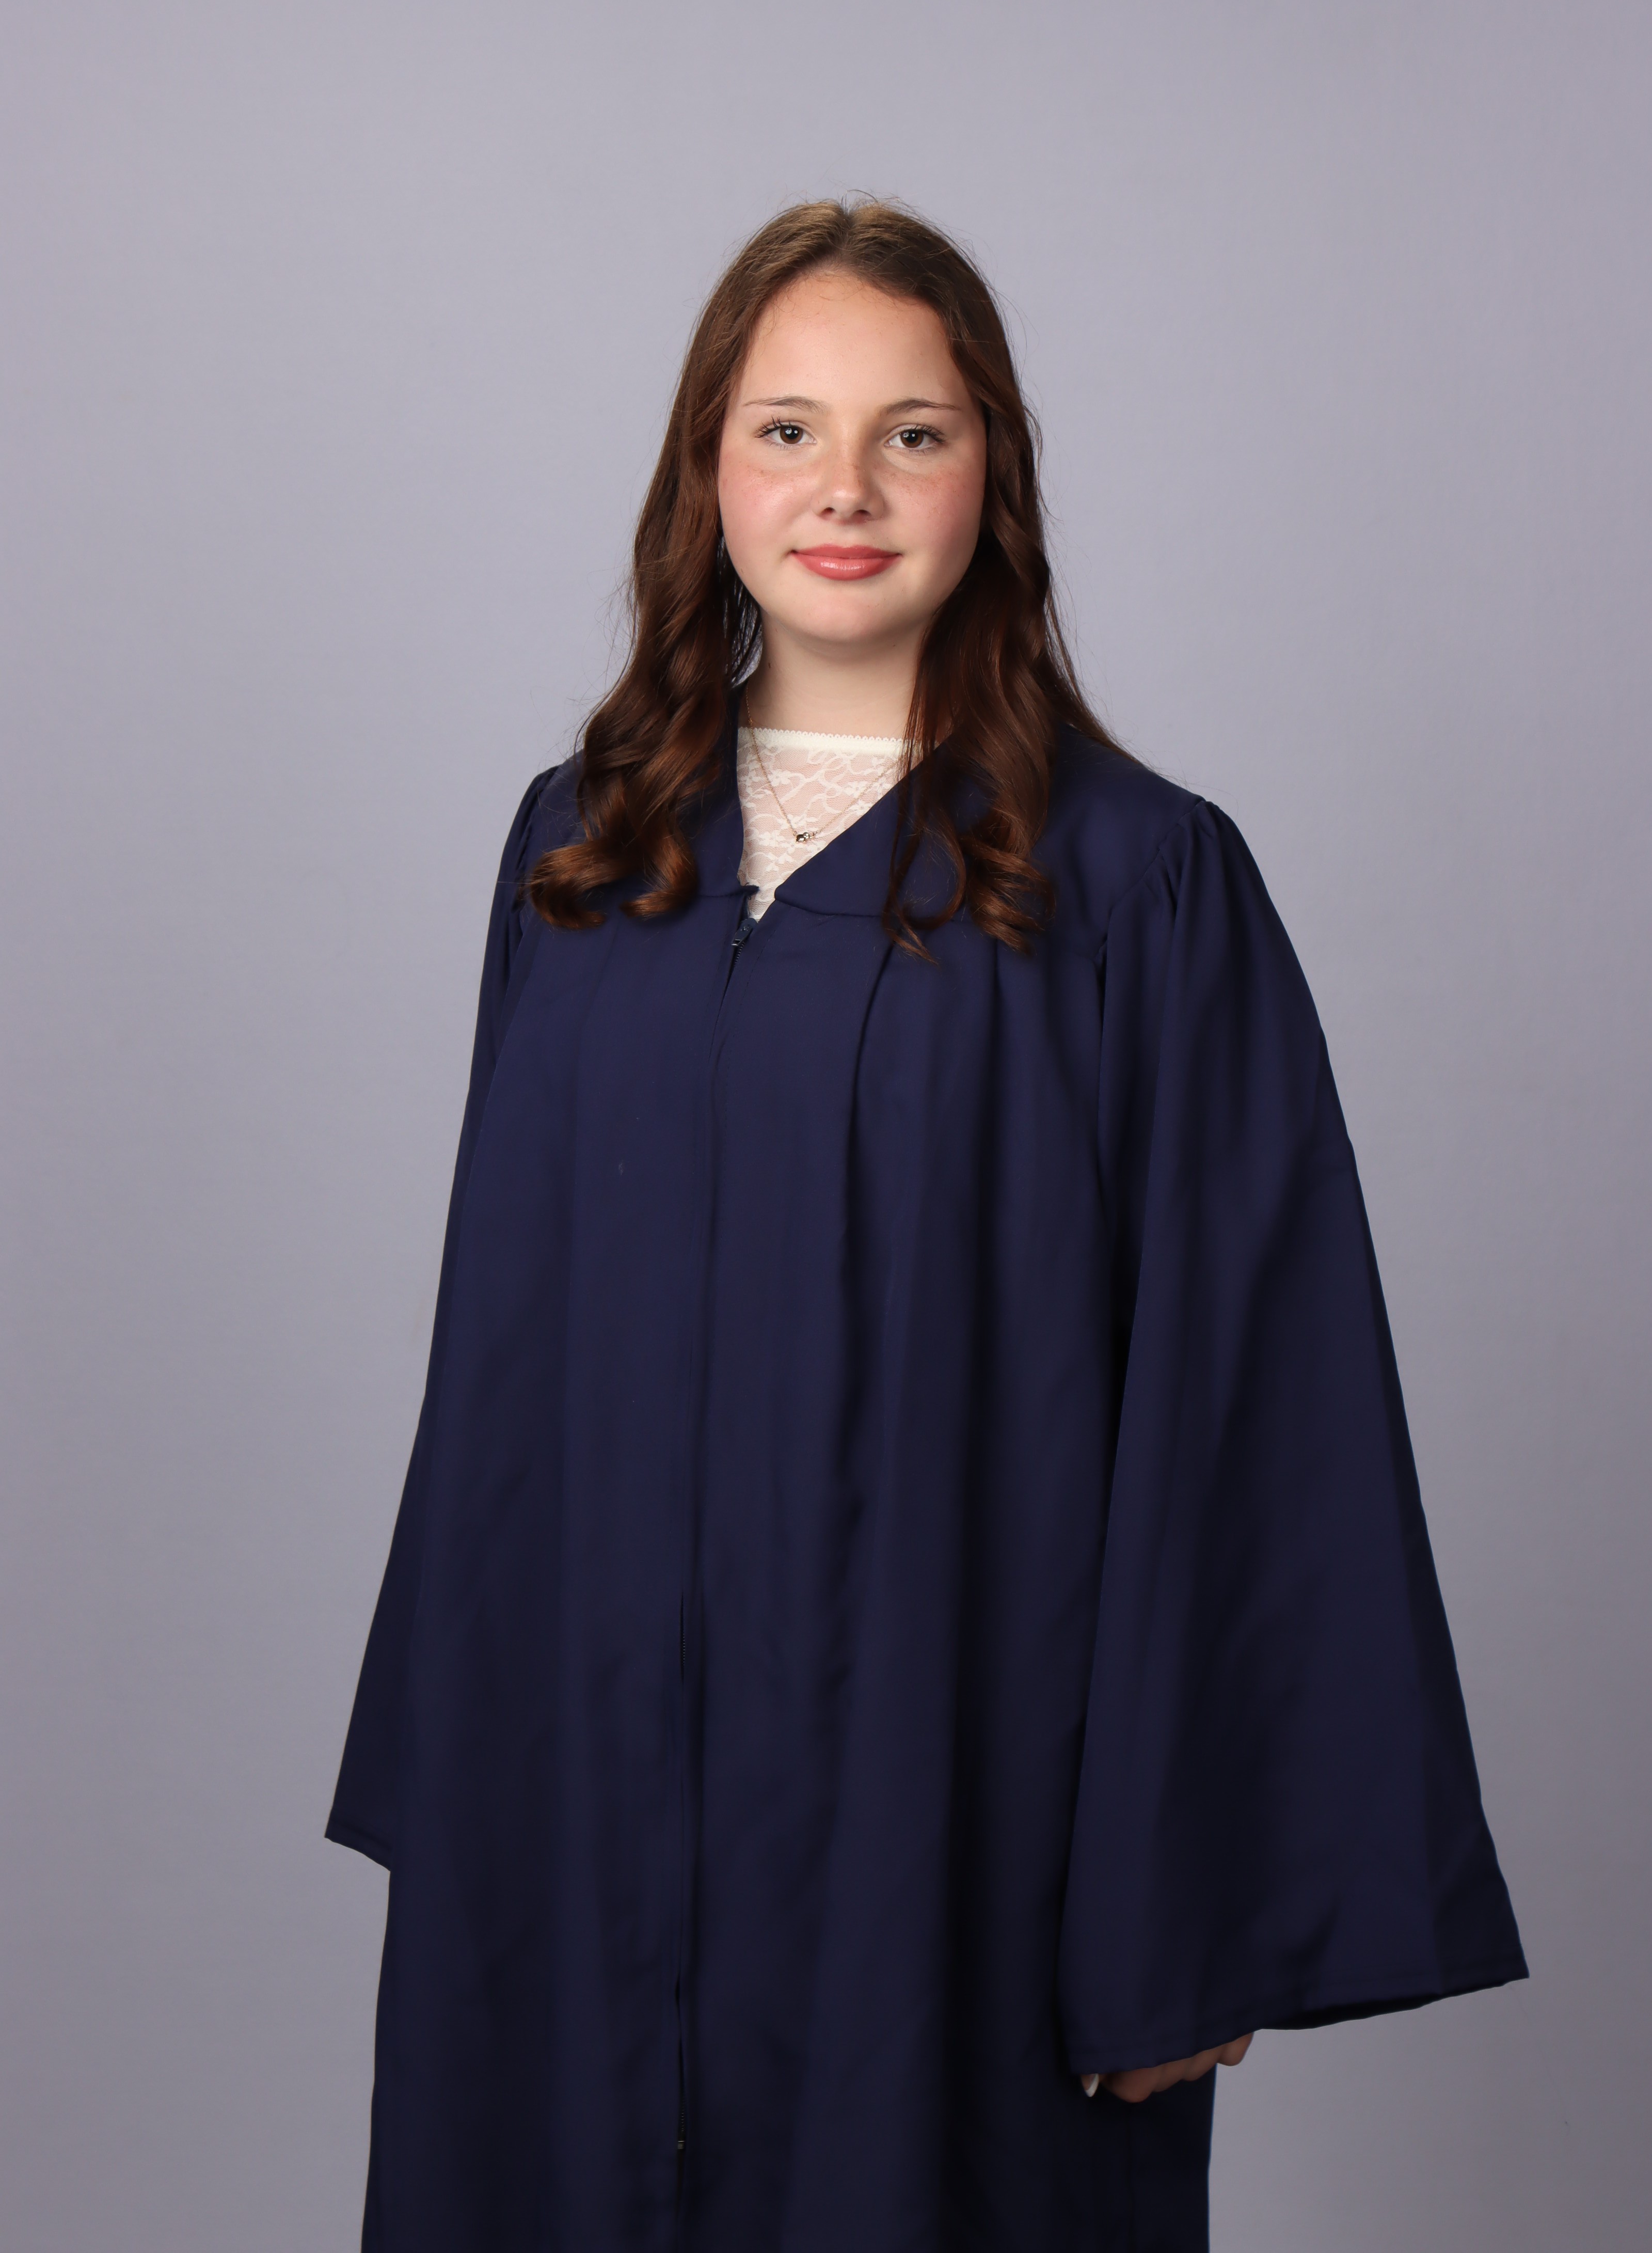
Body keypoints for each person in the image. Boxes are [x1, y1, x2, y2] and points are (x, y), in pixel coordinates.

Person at [327, 200, 1525, 2253]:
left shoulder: (1132, 883)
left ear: (995, 475)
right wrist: (465, 1763)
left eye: (915, 433)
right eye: (785, 431)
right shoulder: (587, 854)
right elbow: (498, 1370)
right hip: (584, 1790)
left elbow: (1254, 1402)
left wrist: (1190, 1901)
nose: (846, 491)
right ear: (707, 471)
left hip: (958, 1802)